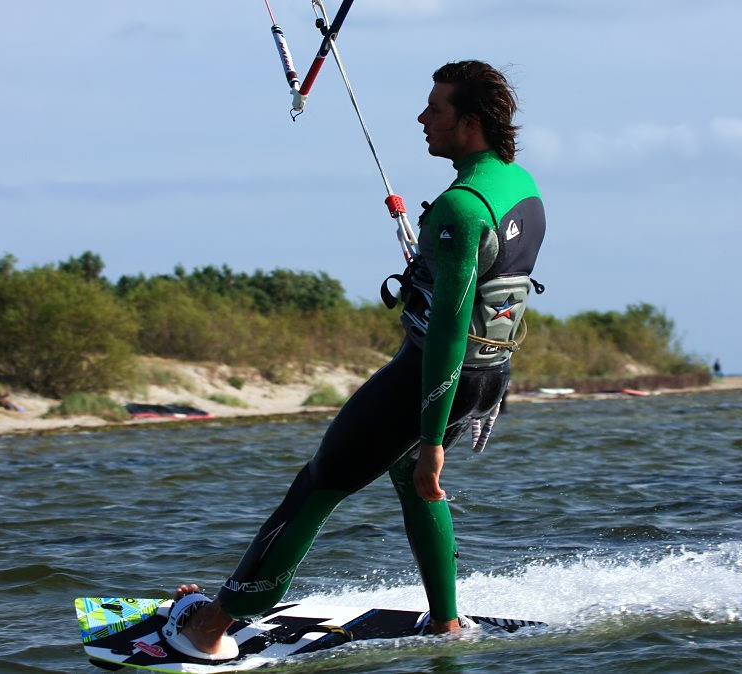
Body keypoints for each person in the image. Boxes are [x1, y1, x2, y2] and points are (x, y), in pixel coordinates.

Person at [166, 60, 546, 660]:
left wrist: (431, 441)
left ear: (469, 122)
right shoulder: (518, 185)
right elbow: (497, 297)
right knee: (410, 482)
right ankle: (445, 622)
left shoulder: (462, 208)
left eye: (436, 109)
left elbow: (448, 332)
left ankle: (212, 625)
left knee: (318, 485)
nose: (423, 119)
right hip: (487, 373)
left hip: (431, 376)